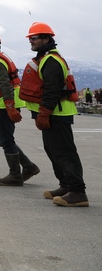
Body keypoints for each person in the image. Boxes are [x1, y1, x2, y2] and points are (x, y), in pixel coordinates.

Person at [19, 22, 88, 207]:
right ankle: (65, 185)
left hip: (56, 113)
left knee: (64, 152)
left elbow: (52, 89)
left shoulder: (51, 60)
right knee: (53, 151)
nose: (31, 41)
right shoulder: (45, 59)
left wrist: (44, 113)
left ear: (47, 39)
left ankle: (77, 192)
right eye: (30, 38)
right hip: (52, 113)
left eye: (34, 38)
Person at [0, 29, 39, 186]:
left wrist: (10, 107)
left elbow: (5, 85)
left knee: (5, 139)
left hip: (4, 105)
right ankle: (28, 166)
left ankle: (15, 174)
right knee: (2, 138)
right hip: (2, 105)